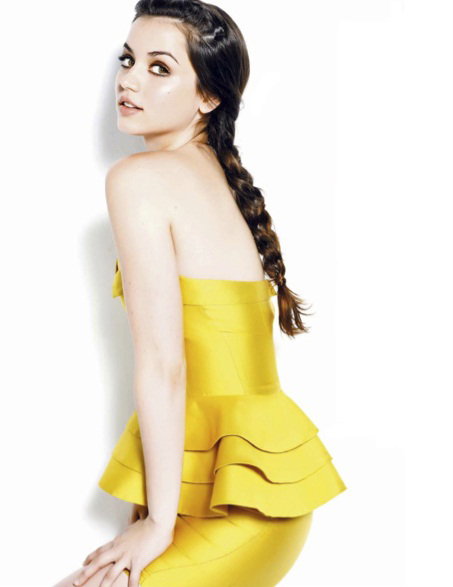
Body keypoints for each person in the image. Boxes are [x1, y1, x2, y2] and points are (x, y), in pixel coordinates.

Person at [54, 1, 347, 586]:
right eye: (128, 60)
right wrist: (153, 514)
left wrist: (157, 524)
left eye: (160, 68)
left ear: (208, 96)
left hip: (238, 502)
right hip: (245, 486)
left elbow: (166, 366)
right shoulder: (212, 172)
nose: (129, 80)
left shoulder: (137, 179)